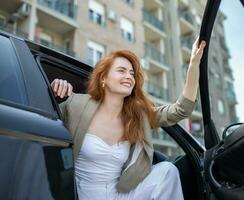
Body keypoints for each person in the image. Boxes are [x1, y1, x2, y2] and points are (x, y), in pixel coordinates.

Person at [51, 38, 206, 200]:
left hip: (120, 194)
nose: (129, 76)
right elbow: (41, 118)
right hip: (84, 194)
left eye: (132, 73)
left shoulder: (137, 116)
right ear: (103, 78)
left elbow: (181, 110)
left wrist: (194, 64)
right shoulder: (76, 104)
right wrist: (54, 90)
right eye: (121, 71)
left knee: (168, 170)